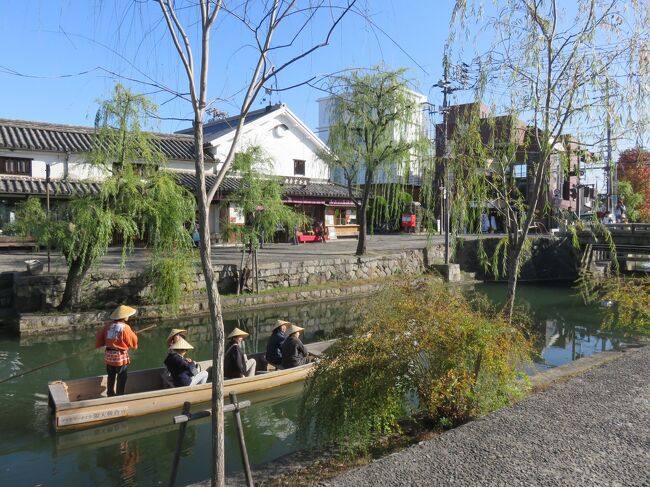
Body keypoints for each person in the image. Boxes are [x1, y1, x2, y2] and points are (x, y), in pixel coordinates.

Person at [95, 305, 139, 397]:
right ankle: (119, 395)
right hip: (119, 356)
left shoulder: (108, 326)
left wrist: (102, 343)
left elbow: (99, 336)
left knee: (111, 375)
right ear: (124, 317)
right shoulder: (125, 327)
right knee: (121, 376)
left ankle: (110, 393)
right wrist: (134, 335)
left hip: (109, 355)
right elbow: (132, 340)